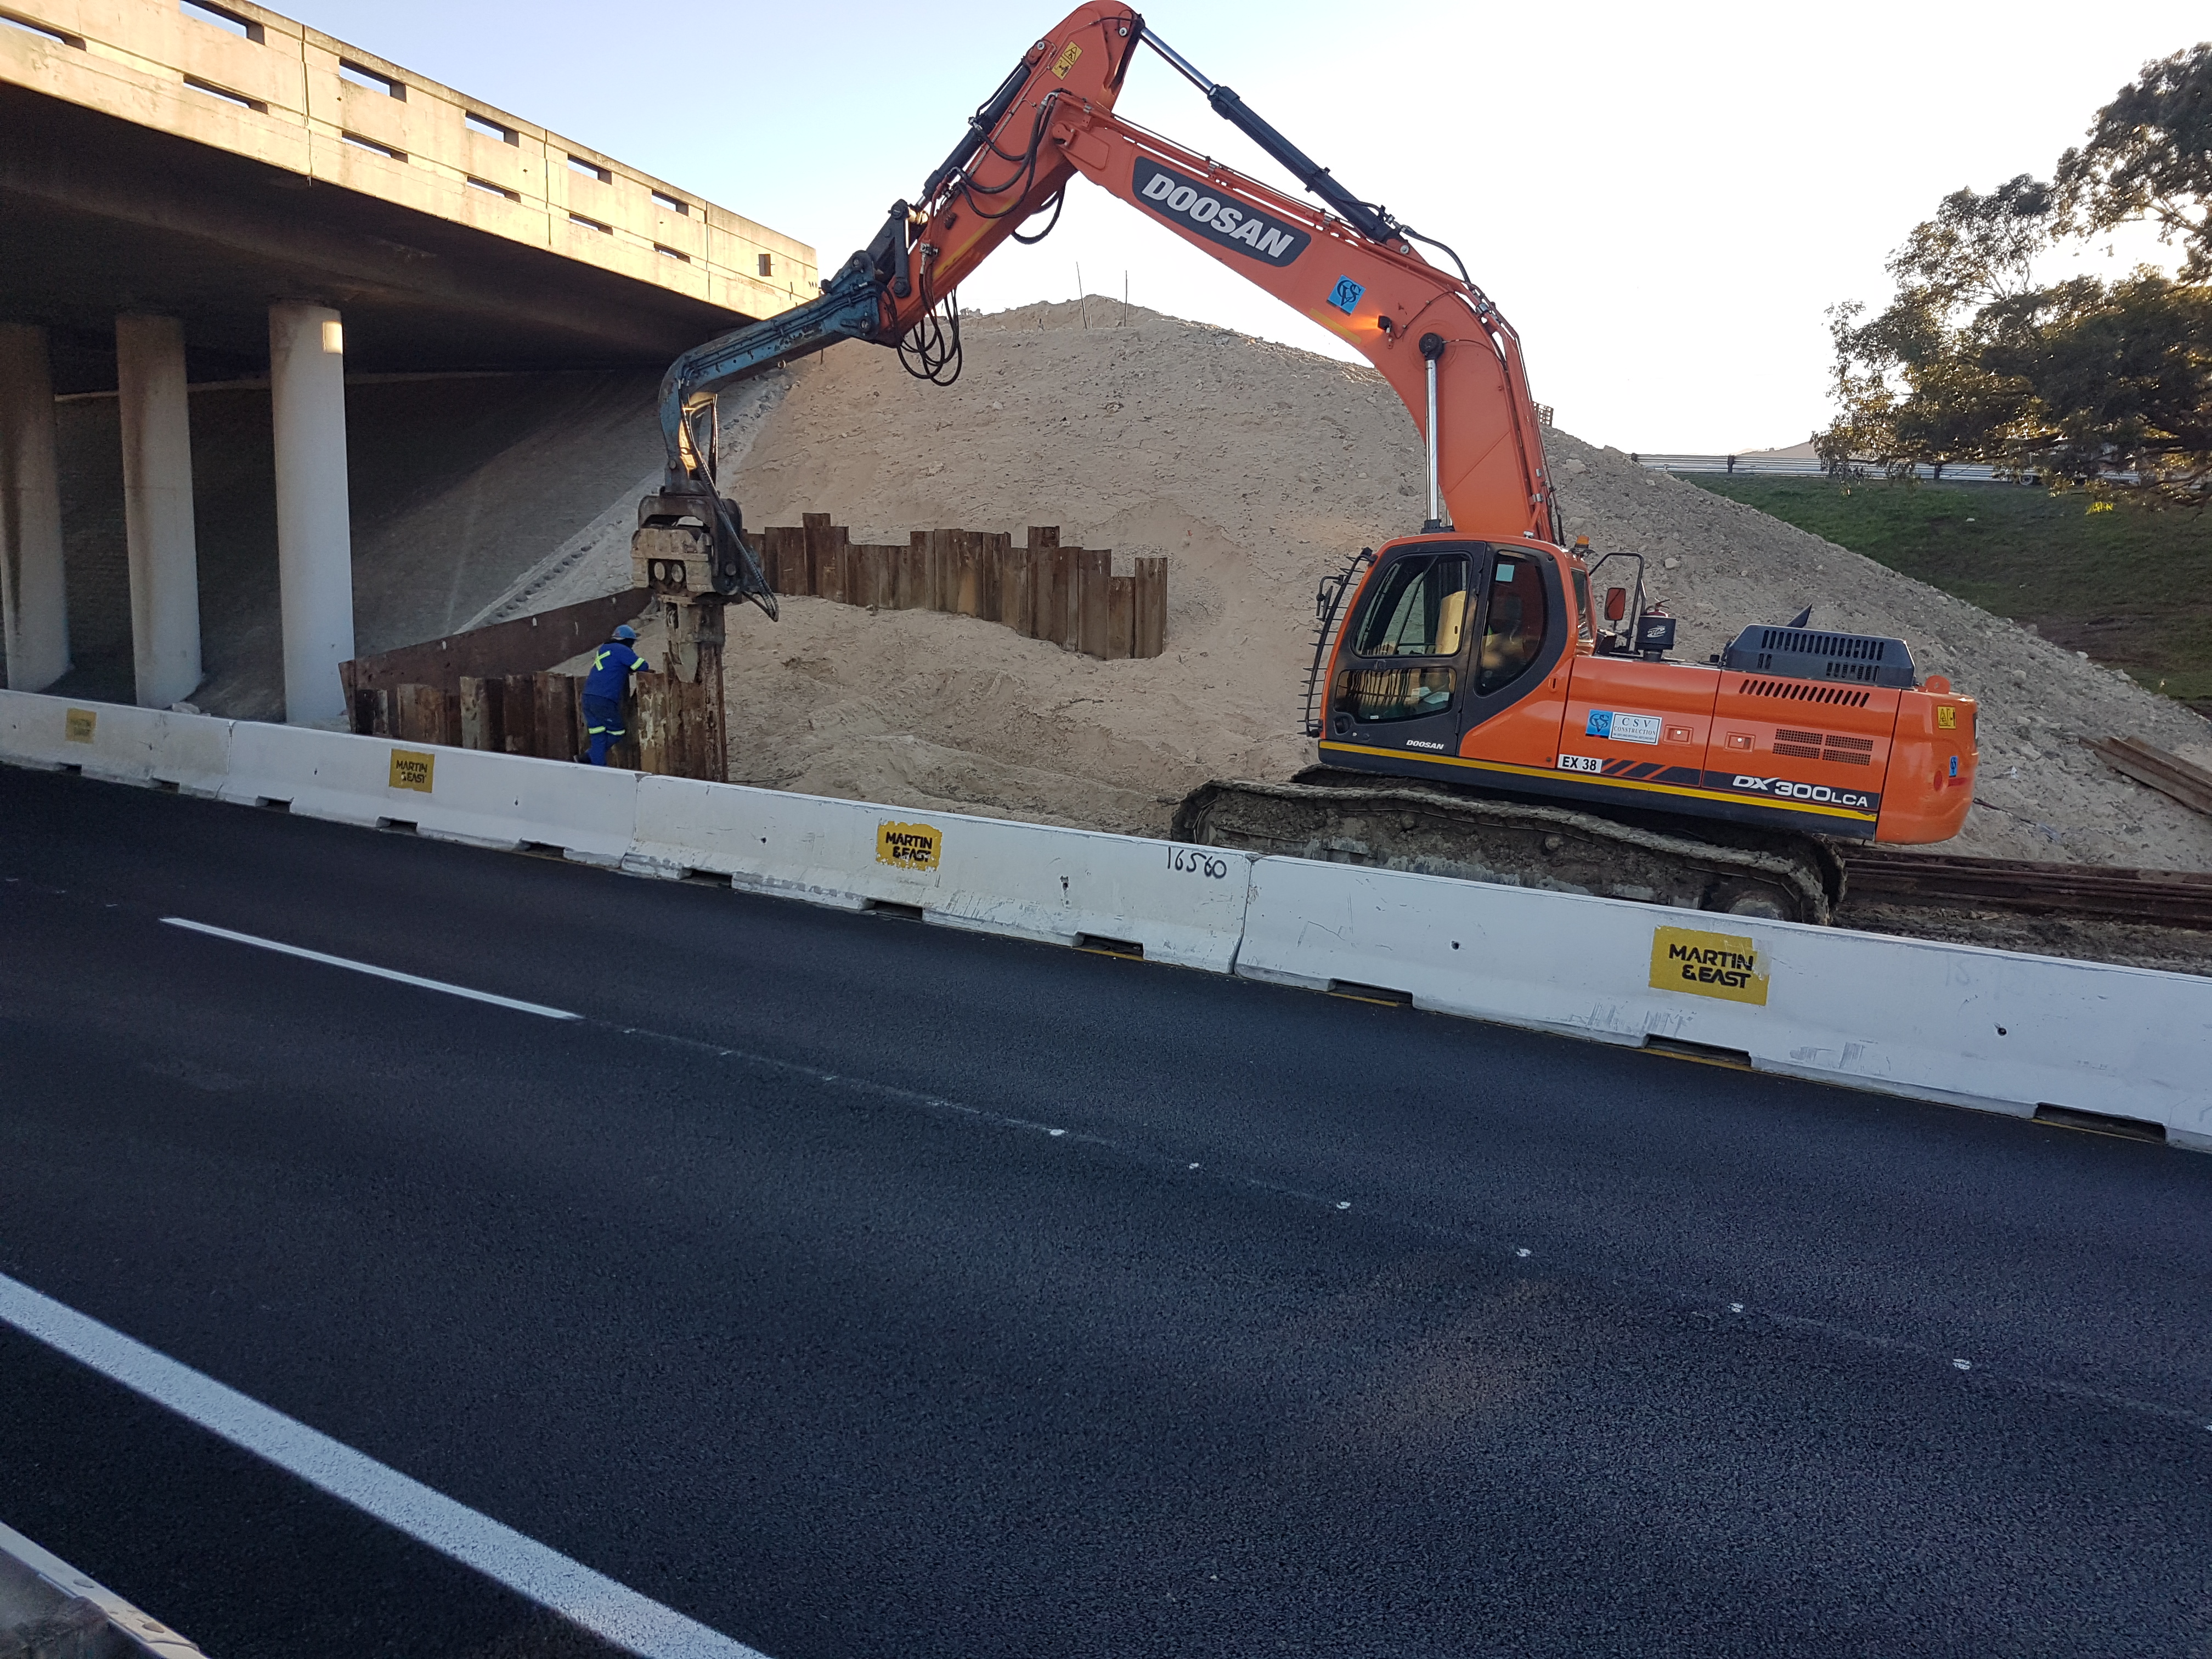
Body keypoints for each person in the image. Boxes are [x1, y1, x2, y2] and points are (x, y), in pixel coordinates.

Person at [581, 624, 654, 766]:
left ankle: (597, 767)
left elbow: (612, 666)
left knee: (597, 735)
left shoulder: (604, 648)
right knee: (617, 731)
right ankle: (589, 756)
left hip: (588, 697)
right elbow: (642, 666)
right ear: (628, 641)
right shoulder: (622, 650)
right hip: (604, 699)